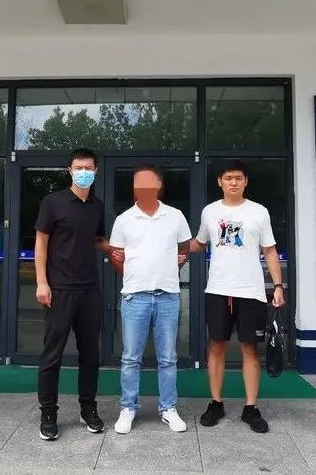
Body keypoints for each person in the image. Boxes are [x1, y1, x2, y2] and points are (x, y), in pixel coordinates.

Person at [189, 160, 285, 433]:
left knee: (250, 349)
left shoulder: (259, 212)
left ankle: (250, 407)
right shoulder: (210, 211)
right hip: (218, 290)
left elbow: (269, 250)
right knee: (216, 346)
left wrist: (278, 285)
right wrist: (171, 249)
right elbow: (199, 243)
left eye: (238, 178)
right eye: (228, 178)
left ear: (245, 182)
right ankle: (216, 403)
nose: (233, 182)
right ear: (219, 182)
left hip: (250, 292)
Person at [109, 164, 192, 434]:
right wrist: (135, 275)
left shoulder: (175, 216)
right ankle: (128, 408)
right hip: (135, 298)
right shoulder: (124, 219)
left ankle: (168, 408)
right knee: (130, 358)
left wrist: (170, 266)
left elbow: (184, 248)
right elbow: (116, 257)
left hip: (168, 296)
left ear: (158, 186)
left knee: (168, 358)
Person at [35, 147, 110, 440]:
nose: (84, 172)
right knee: (52, 355)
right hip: (59, 290)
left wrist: (122, 251)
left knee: (90, 355)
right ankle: (48, 412)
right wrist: (42, 282)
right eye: (79, 167)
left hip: (90, 290)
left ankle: (88, 408)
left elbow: (98, 240)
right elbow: (41, 243)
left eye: (89, 168)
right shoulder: (52, 202)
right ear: (69, 170)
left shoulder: (97, 206)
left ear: (96, 171)